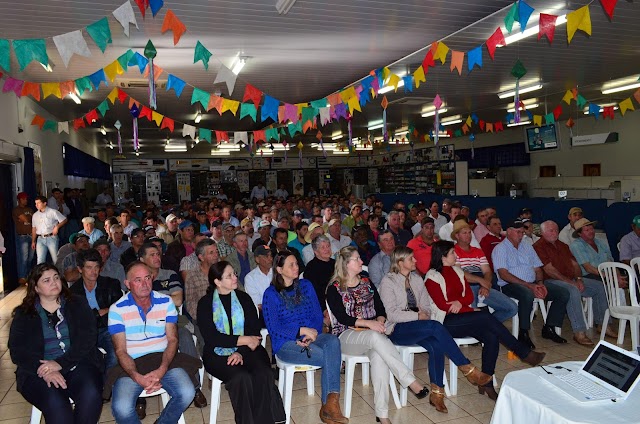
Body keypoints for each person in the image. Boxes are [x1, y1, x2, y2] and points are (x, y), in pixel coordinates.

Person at [425, 241, 546, 400]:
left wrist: (460, 304)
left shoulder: (457, 271)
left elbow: (469, 296)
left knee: (491, 335)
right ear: (442, 257)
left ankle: (486, 382)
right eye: (453, 253)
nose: (456, 256)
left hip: (462, 316)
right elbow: (442, 305)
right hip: (445, 322)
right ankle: (522, 352)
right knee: (484, 316)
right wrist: (466, 308)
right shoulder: (432, 276)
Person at [379, 246, 493, 412]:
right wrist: (417, 316)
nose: (415, 261)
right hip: (397, 329)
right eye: (411, 259)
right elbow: (392, 314)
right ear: (400, 262)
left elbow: (427, 306)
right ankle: (468, 369)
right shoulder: (388, 282)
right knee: (435, 326)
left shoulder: (417, 279)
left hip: (419, 326)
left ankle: (437, 394)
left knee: (436, 343)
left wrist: (421, 314)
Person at [326, 246, 432, 420]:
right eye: (357, 259)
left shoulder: (366, 281)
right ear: (346, 264)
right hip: (346, 336)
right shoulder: (334, 288)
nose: (362, 262)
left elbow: (380, 307)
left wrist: (380, 320)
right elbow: (342, 317)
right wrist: (369, 323)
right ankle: (410, 381)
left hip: (372, 335)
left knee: (379, 357)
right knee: (376, 337)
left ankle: (382, 415)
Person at [9, 263, 103, 424]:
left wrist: (60, 364)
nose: (53, 282)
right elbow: (17, 351)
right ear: (36, 288)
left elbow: (87, 339)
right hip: (38, 371)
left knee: (91, 394)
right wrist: (46, 370)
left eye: (56, 277)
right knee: (57, 404)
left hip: (77, 363)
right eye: (46, 280)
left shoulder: (77, 304)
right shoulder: (24, 314)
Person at [262, 251, 348, 424]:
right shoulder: (270, 294)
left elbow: (317, 315)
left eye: (296, 263)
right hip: (286, 343)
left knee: (332, 341)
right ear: (279, 269)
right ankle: (330, 407)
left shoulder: (306, 285)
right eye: (291, 265)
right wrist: (300, 331)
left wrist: (311, 334)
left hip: (313, 336)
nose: (296, 268)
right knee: (331, 357)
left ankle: (329, 406)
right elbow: (274, 328)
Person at [107, 262, 198, 423]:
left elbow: (172, 340)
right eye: (138, 280)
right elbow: (120, 351)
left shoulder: (166, 302)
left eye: (147, 278)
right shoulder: (117, 309)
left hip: (163, 358)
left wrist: (162, 369)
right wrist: (136, 377)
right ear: (127, 284)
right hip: (132, 362)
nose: (144, 284)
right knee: (121, 407)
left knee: (187, 392)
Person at [198, 260, 285, 424]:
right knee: (240, 377)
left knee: (264, 373)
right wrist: (243, 340)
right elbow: (212, 337)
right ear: (217, 281)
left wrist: (240, 350)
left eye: (234, 274)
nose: (234, 278)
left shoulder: (243, 298)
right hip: (217, 352)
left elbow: (254, 330)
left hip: (248, 349)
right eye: (229, 276)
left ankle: (264, 420)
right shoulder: (205, 303)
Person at [534, 220, 616, 345]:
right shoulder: (538, 247)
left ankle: (603, 324)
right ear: (543, 232)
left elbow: (575, 265)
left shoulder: (563, 245)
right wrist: (571, 283)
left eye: (556, 229)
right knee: (572, 290)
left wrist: (578, 279)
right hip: (550, 281)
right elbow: (550, 270)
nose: (555, 232)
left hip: (570, 278)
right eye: (551, 230)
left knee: (599, 287)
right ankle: (579, 332)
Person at [492, 220, 570, 349]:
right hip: (509, 285)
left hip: (533, 283)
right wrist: (528, 285)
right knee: (527, 294)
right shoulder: (500, 249)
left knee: (562, 293)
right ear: (509, 232)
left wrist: (540, 283)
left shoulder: (527, 246)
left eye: (522, 232)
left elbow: (538, 268)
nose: (521, 235)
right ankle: (523, 332)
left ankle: (549, 327)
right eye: (518, 232)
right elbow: (503, 274)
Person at [451, 220, 517, 323]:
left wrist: (484, 285)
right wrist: (482, 282)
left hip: (481, 285)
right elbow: (460, 274)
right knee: (471, 315)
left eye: (469, 233)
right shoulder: (453, 251)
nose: (468, 236)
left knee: (511, 308)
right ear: (457, 236)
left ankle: (486, 325)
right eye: (464, 233)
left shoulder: (477, 251)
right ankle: (482, 328)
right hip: (466, 287)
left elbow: (487, 271)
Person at [69, 249, 122, 373]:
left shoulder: (111, 284)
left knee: (115, 355)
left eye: (96, 267)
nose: (94, 271)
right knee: (84, 360)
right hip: (85, 333)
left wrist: (97, 313)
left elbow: (121, 307)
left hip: (108, 329)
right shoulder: (73, 292)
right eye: (89, 267)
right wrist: (100, 312)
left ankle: (107, 386)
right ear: (80, 269)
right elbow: (77, 319)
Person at [184, 239, 219, 321]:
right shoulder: (192, 276)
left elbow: (239, 290)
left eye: (216, 251)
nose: (216, 255)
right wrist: (204, 318)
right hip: (204, 317)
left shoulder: (224, 269)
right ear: (201, 257)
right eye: (211, 253)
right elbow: (190, 304)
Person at [31, 195, 68, 265]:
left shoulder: (52, 212)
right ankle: (41, 275)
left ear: (44, 203)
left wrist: (57, 226)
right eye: (36, 203)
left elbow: (64, 219)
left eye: (38, 203)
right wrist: (33, 241)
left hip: (51, 237)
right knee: (40, 260)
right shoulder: (35, 215)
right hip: (40, 238)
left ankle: (58, 274)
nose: (36, 205)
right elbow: (34, 228)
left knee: (55, 259)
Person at [244, 246, 273, 320]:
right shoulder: (250, 278)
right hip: (263, 316)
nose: (270, 259)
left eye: (271, 255)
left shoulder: (277, 273)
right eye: (266, 256)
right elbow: (257, 303)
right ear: (257, 259)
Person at [13, 191, 34, 285]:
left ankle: (28, 276)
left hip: (31, 235)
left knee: (31, 257)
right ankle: (22, 277)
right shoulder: (16, 210)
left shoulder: (29, 209)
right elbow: (25, 219)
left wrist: (27, 221)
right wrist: (27, 220)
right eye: (23, 199)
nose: (25, 200)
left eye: (26, 199)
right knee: (24, 258)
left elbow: (34, 220)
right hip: (23, 236)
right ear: (19, 200)